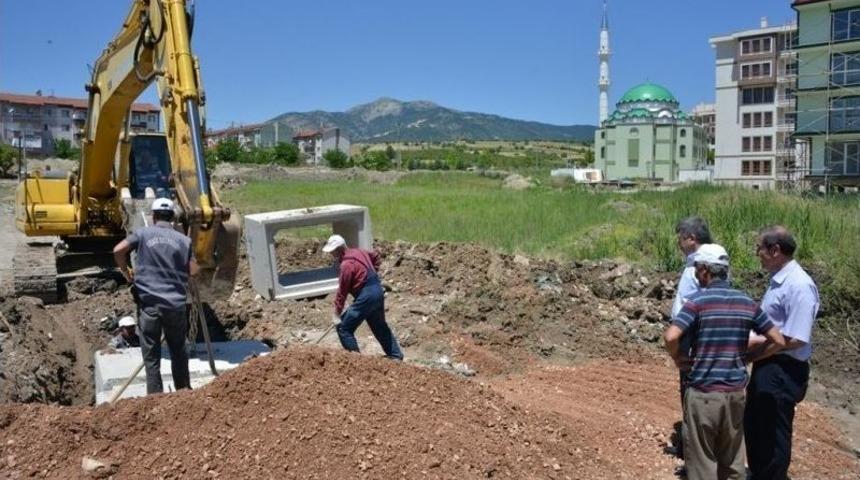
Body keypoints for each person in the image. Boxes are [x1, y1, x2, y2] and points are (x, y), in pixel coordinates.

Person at [664, 244, 785, 480]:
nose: (696, 274)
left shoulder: (697, 302)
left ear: (705, 270)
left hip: (704, 391)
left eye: (697, 269)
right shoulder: (747, 302)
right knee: (732, 459)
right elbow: (778, 340)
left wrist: (678, 358)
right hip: (735, 393)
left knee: (702, 462)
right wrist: (749, 357)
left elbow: (671, 337)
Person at [745, 226, 820, 480]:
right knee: (757, 424)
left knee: (773, 432)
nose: (757, 253)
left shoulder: (800, 285)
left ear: (775, 250)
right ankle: (759, 474)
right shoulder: (780, 280)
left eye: (759, 248)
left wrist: (753, 348)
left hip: (783, 369)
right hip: (769, 363)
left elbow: (796, 338)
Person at [113, 198, 197, 394]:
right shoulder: (184, 241)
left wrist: (126, 272)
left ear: (153, 216)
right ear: (173, 217)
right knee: (178, 352)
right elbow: (193, 271)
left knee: (151, 358)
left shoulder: (143, 234)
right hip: (175, 307)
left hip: (149, 306)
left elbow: (118, 250)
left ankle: (155, 399)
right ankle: (184, 394)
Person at [669, 216, 713, 462]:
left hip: (694, 336)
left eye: (680, 238)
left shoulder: (702, 265)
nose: (678, 242)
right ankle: (689, 446)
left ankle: (693, 452)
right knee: (688, 389)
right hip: (691, 333)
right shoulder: (699, 262)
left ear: (691, 239)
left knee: (691, 389)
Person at [323, 234, 403, 360]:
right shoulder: (359, 252)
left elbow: (342, 292)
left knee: (343, 327)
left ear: (339, 249)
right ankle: (396, 355)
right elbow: (375, 257)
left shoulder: (346, 265)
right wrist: (373, 276)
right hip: (377, 290)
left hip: (367, 296)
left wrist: (337, 314)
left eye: (332, 251)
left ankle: (356, 362)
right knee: (379, 325)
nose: (331, 254)